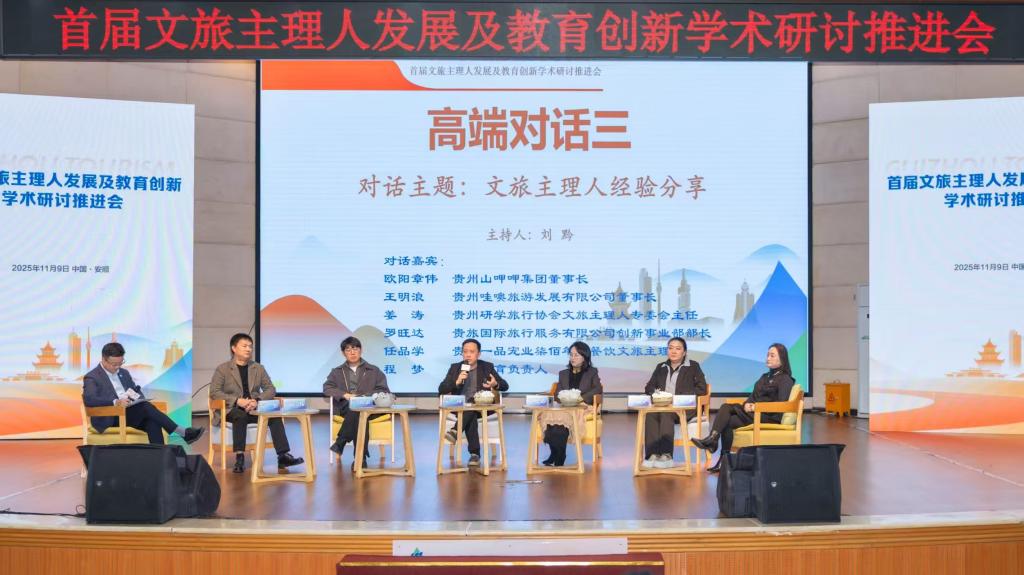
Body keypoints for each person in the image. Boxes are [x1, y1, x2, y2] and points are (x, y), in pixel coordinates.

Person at [692, 342, 796, 473]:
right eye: (767, 355)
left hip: (769, 416)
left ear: (782, 359)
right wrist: (747, 403)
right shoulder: (765, 377)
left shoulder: (785, 379)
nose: (768, 358)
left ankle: (712, 440)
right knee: (727, 422)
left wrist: (755, 407)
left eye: (772, 355)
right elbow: (753, 396)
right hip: (755, 413)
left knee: (725, 407)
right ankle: (724, 460)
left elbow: (781, 404)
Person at [209, 333, 304, 474]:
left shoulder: (258, 368)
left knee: (274, 416)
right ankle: (240, 457)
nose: (248, 349)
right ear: (234, 348)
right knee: (240, 415)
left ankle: (283, 456)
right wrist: (238, 401)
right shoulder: (223, 369)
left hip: (254, 409)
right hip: (231, 410)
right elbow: (215, 392)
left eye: (250, 346)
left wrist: (257, 400)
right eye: (244, 346)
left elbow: (271, 389)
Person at [82, 342, 204, 446]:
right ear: (104, 359)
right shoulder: (92, 377)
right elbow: (90, 399)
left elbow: (135, 391)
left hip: (129, 413)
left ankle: (161, 459)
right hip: (110, 417)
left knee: (152, 421)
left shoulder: (124, 373)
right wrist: (116, 402)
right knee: (145, 407)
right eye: (114, 364)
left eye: (121, 363)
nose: (117, 367)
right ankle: (183, 432)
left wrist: (137, 399)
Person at [324, 336, 391, 470]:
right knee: (357, 412)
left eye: (355, 349)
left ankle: (341, 442)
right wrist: (345, 395)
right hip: (346, 407)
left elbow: (383, 390)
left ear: (361, 350)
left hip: (370, 408)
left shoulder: (374, 370)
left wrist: (365, 397)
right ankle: (361, 459)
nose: (352, 352)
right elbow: (327, 388)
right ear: (343, 353)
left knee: (359, 412)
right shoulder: (337, 371)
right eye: (348, 350)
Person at [438, 338, 509, 466]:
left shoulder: (487, 367)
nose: (468, 355)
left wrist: (495, 384)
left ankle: (455, 431)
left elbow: (505, 385)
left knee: (471, 406)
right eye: (465, 352)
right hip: (459, 407)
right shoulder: (455, 368)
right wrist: (456, 382)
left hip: (482, 408)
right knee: (470, 411)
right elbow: (441, 389)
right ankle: (475, 455)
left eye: (472, 352)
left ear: (478, 354)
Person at [641, 337, 708, 469]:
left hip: (684, 408)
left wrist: (678, 397)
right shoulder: (661, 367)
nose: (673, 351)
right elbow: (649, 388)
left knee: (667, 413)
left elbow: (702, 388)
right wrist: (659, 394)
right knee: (650, 414)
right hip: (663, 406)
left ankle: (666, 456)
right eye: (670, 348)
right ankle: (652, 455)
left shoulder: (693, 366)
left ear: (684, 352)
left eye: (678, 348)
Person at [540, 341, 602, 467]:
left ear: (585, 357)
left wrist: (580, 398)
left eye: (576, 355)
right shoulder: (563, 373)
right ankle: (556, 453)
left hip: (582, 406)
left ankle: (558, 454)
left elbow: (597, 389)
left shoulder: (592, 372)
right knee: (552, 417)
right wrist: (563, 398)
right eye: (571, 355)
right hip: (564, 407)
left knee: (562, 418)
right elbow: (557, 393)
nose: (573, 358)